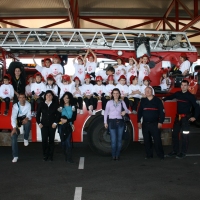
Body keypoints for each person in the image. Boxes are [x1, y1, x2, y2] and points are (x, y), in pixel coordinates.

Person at [163, 80, 200, 159]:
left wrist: (195, 117)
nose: (183, 87)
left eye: (185, 85)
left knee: (184, 136)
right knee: (174, 135)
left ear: (188, 86)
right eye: (182, 85)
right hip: (178, 118)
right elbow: (170, 97)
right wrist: (163, 100)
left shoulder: (190, 96)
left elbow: (197, 107)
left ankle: (183, 152)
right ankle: (175, 151)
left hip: (185, 119)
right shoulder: (178, 94)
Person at [137, 87, 165, 160]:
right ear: (145, 92)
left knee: (157, 140)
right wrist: (138, 121)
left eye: (149, 91)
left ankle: (160, 155)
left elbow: (162, 112)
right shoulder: (142, 101)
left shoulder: (157, 101)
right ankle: (149, 155)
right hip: (145, 124)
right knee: (146, 140)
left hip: (155, 124)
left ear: (152, 91)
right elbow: (139, 112)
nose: (148, 92)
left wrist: (160, 122)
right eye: (146, 91)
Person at [104, 88, 129, 160]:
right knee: (113, 140)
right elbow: (106, 113)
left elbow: (127, 110)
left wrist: (125, 112)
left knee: (119, 140)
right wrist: (105, 122)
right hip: (112, 122)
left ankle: (117, 155)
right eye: (114, 93)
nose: (115, 95)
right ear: (112, 94)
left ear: (119, 94)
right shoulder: (109, 102)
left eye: (117, 93)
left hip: (120, 122)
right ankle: (113, 155)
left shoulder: (122, 102)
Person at [36, 90, 60, 161]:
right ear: (45, 96)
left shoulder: (56, 105)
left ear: (52, 97)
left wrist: (55, 123)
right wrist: (39, 123)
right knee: (44, 140)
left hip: (52, 125)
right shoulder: (41, 104)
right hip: (44, 125)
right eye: (47, 95)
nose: (48, 97)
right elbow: (37, 115)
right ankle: (45, 155)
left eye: (50, 95)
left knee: (51, 141)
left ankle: (51, 155)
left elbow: (58, 115)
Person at [11, 93, 31, 163]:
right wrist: (14, 127)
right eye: (20, 97)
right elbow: (13, 117)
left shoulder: (28, 104)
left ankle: (25, 138)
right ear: (18, 98)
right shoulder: (15, 106)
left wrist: (27, 118)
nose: (22, 99)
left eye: (23, 97)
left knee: (28, 123)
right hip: (18, 122)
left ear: (25, 98)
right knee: (13, 136)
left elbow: (29, 113)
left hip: (25, 120)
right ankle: (15, 156)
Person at [58, 92, 77, 163]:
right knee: (63, 141)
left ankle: (69, 158)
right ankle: (65, 154)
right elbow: (57, 115)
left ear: (70, 99)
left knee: (68, 141)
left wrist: (67, 120)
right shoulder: (60, 107)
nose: (65, 99)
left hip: (69, 126)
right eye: (64, 97)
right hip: (61, 126)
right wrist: (61, 119)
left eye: (67, 98)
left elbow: (74, 117)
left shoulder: (73, 107)